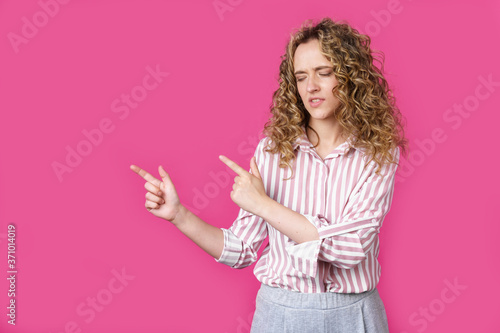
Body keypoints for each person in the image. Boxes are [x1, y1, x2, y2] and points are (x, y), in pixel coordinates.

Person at [130, 16, 408, 333]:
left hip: (354, 316)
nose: (311, 87)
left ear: (350, 77)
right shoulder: (272, 152)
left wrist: (262, 204)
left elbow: (350, 246)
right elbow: (241, 249)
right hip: (281, 317)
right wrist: (178, 215)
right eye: (301, 77)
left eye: (324, 73)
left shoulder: (378, 152)